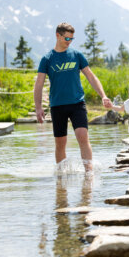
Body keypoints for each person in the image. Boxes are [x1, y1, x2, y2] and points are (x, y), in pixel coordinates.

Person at [34, 22, 112, 172]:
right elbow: (38, 84)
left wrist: (103, 95)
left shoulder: (77, 55)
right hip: (57, 106)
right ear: (58, 35)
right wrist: (38, 107)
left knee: (83, 136)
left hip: (77, 103)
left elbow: (91, 76)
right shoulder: (47, 59)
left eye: (71, 39)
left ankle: (89, 173)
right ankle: (61, 176)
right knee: (60, 143)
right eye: (67, 39)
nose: (69, 42)